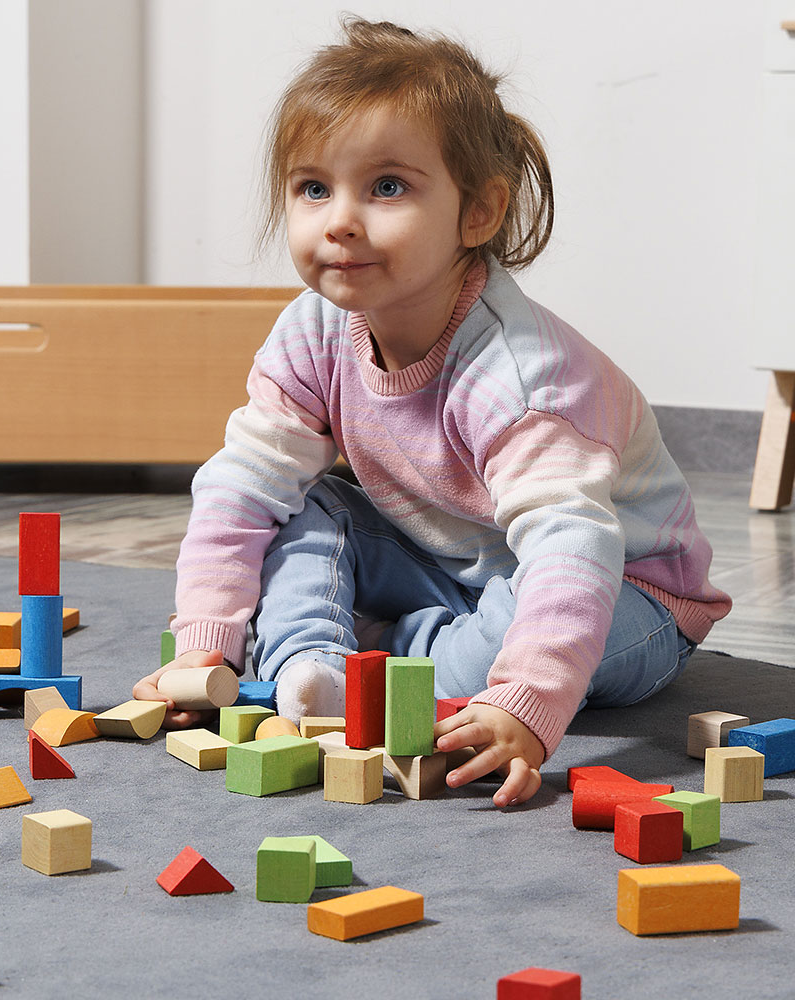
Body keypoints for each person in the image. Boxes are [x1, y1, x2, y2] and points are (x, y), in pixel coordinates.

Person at [133, 17, 731, 807]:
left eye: (387, 187)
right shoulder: (311, 331)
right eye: (314, 188)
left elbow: (573, 549)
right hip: (445, 561)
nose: (340, 219)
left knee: (522, 622)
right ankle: (312, 665)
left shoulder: (519, 377)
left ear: (477, 214)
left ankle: (393, 663)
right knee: (302, 507)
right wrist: (203, 643)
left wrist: (524, 703)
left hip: (625, 589)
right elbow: (242, 487)